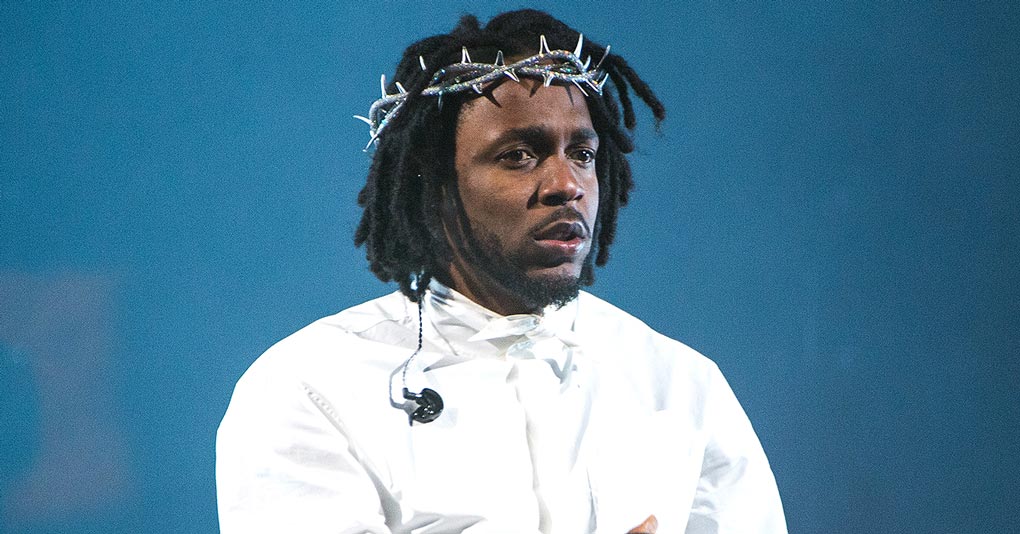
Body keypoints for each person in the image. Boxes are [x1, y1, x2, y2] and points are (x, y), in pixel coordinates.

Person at [216, 9, 786, 534]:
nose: (568, 185)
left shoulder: (682, 387)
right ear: (433, 186)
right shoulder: (310, 387)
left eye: (582, 153)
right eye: (519, 155)